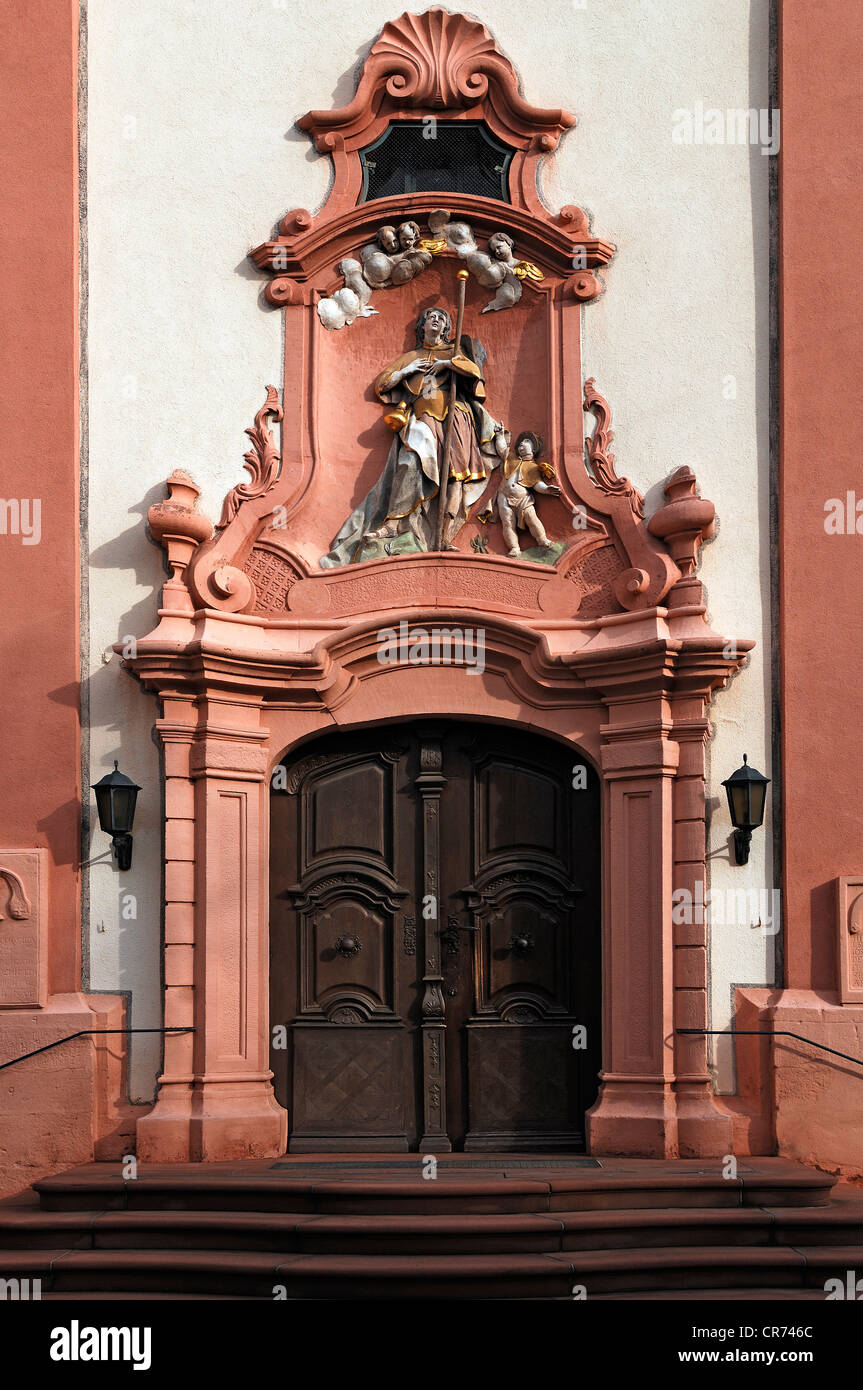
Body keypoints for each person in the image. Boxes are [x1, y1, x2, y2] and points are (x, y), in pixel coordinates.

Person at [320, 306, 506, 567]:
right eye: (431, 318)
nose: (436, 321)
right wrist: (406, 372)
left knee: (456, 479)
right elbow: (382, 383)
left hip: (456, 418)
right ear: (423, 326)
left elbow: (474, 372)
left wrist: (447, 363)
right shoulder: (413, 356)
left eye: (441, 319)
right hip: (424, 417)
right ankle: (393, 525)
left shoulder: (453, 352)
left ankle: (443, 537)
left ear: (446, 329)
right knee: (409, 462)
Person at [482, 430, 559, 556]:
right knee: (507, 522)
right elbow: (502, 450)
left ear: (533, 449)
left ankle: (542, 540)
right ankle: (514, 548)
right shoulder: (511, 457)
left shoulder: (533, 467)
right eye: (520, 443)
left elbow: (537, 484)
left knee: (531, 518)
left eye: (526, 442)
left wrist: (546, 490)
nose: (522, 444)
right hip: (504, 497)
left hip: (523, 499)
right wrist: (500, 436)